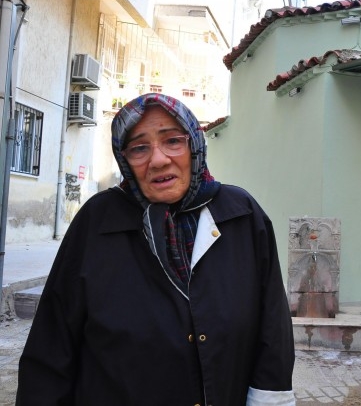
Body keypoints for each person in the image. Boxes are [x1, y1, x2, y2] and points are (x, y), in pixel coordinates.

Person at [16, 93, 295, 405]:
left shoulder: (241, 214)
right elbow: (52, 343)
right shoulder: (98, 221)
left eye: (172, 141)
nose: (158, 159)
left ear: (194, 145)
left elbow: (273, 325)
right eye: (139, 148)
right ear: (125, 160)